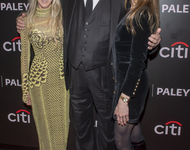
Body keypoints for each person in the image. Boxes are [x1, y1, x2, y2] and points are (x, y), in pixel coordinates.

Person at [17, 0, 161, 150]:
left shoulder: (121, 2)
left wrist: (153, 42)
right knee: (81, 128)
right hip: (75, 72)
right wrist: (23, 19)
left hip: (104, 74)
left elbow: (136, 26)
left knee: (107, 130)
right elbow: (44, 6)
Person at [20, 0, 69, 149]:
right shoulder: (26, 20)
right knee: (44, 130)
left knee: (61, 131)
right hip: (38, 81)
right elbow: (24, 57)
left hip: (61, 80)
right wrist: (25, 89)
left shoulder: (64, 16)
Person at [112, 0, 160, 149]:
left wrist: (124, 100)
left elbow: (137, 62)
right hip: (126, 81)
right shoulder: (131, 8)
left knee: (121, 141)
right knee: (134, 134)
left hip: (131, 84)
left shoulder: (141, 14)